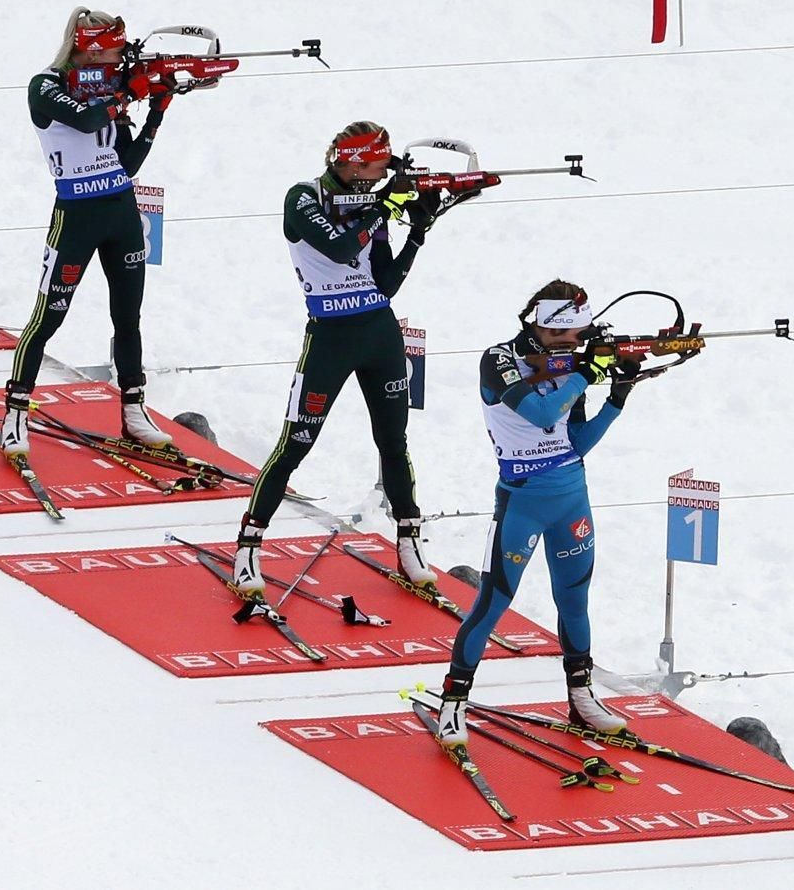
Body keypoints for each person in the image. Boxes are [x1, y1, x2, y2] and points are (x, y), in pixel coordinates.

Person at [233, 121, 451, 594]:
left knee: (393, 442)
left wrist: (416, 231)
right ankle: (249, 546)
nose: (377, 178)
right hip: (330, 337)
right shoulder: (303, 198)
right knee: (296, 443)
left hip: (379, 333)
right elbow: (335, 249)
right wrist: (382, 209)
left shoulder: (373, 204)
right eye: (373, 169)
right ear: (348, 162)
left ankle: (410, 541)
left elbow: (385, 283)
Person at [433, 280, 637, 747]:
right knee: (492, 603)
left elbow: (575, 441)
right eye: (560, 340)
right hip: (522, 501)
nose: (572, 347)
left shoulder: (573, 367)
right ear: (536, 327)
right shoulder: (499, 360)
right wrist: (584, 373)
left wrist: (618, 397)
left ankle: (581, 695)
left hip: (571, 498)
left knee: (574, 600)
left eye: (577, 339)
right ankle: (453, 702)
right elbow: (542, 415)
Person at [0, 8, 177, 459]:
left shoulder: (109, 89)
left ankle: (134, 410)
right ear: (90, 50)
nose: (119, 63)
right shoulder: (47, 87)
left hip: (121, 211)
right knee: (48, 316)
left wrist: (155, 111)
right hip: (76, 215)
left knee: (128, 316)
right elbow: (86, 120)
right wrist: (126, 94)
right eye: (114, 53)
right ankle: (15, 412)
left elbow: (127, 164)